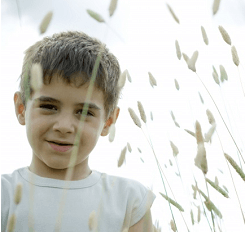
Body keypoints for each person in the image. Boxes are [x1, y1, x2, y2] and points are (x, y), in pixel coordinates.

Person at [1, 31, 156, 232]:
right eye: (48, 106)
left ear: (108, 121)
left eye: (84, 112)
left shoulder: (129, 201)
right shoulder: (3, 194)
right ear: (21, 108)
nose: (64, 126)